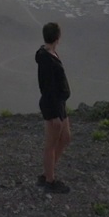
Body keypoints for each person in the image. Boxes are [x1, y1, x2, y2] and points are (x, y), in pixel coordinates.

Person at [36, 21, 71, 193]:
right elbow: (49, 88)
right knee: (51, 143)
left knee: (65, 138)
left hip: (60, 104)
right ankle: (49, 180)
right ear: (58, 37)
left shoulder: (49, 54)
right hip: (53, 106)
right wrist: (56, 114)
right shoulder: (47, 59)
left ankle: (48, 172)